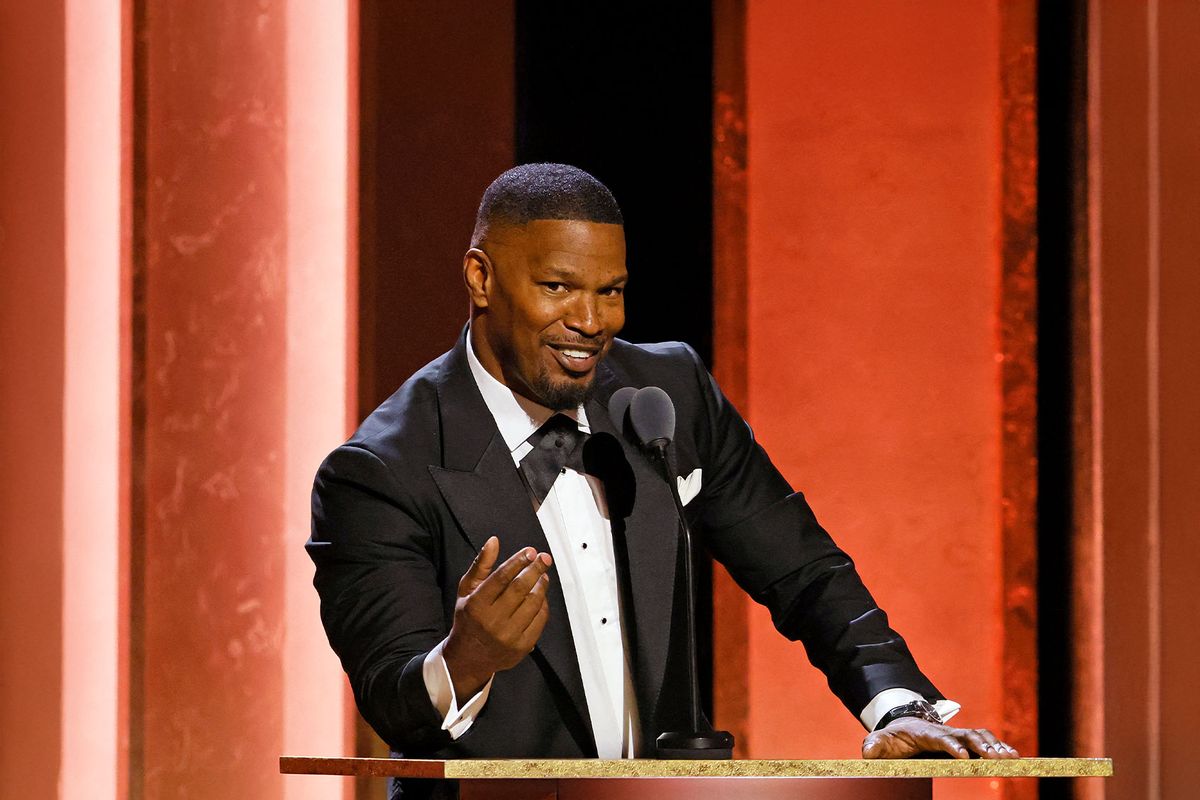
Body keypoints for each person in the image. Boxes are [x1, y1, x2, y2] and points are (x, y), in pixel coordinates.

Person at [307, 163, 1017, 779]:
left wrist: (894, 703)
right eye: (557, 287)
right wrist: (466, 659)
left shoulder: (666, 396)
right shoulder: (380, 471)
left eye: (610, 291)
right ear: (481, 277)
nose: (590, 320)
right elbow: (392, 698)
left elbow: (803, 572)